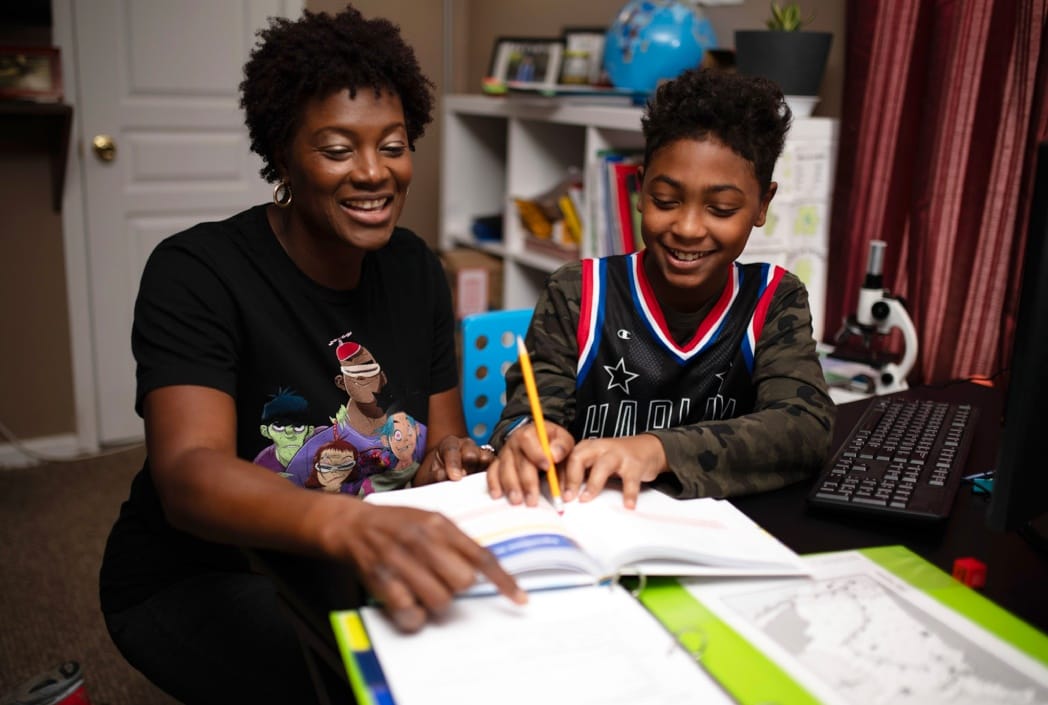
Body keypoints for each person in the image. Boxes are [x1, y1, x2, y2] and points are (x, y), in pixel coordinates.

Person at [98, 7, 525, 704]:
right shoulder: (197, 272)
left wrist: (448, 456)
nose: (372, 172)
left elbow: (439, 442)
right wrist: (349, 522)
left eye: (392, 145)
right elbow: (188, 473)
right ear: (283, 154)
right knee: (362, 685)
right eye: (336, 149)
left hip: (352, 549)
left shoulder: (418, 270)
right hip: (206, 572)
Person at [485, 67, 836, 510]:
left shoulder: (774, 299)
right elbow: (522, 416)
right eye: (665, 201)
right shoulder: (578, 291)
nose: (688, 228)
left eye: (721, 208)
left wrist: (655, 450)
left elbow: (805, 428)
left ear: (762, 204)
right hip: (589, 521)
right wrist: (528, 437)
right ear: (641, 187)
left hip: (718, 538)